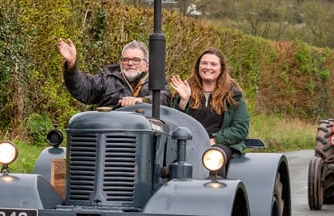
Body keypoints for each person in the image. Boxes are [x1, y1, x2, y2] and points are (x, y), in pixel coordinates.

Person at [169, 48, 249, 176]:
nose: (208, 67)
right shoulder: (186, 90)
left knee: (214, 157)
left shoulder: (233, 95)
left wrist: (214, 140)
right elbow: (173, 124)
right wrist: (183, 101)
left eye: (213, 64)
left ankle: (216, 192)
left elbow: (240, 128)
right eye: (204, 63)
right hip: (187, 144)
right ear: (198, 66)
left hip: (218, 145)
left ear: (221, 69)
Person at [57, 39, 170, 108]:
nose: (130, 63)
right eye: (125, 60)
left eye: (136, 60)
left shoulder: (156, 82)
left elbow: (163, 99)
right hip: (110, 133)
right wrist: (71, 65)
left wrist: (140, 101)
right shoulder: (107, 79)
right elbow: (83, 87)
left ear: (147, 66)